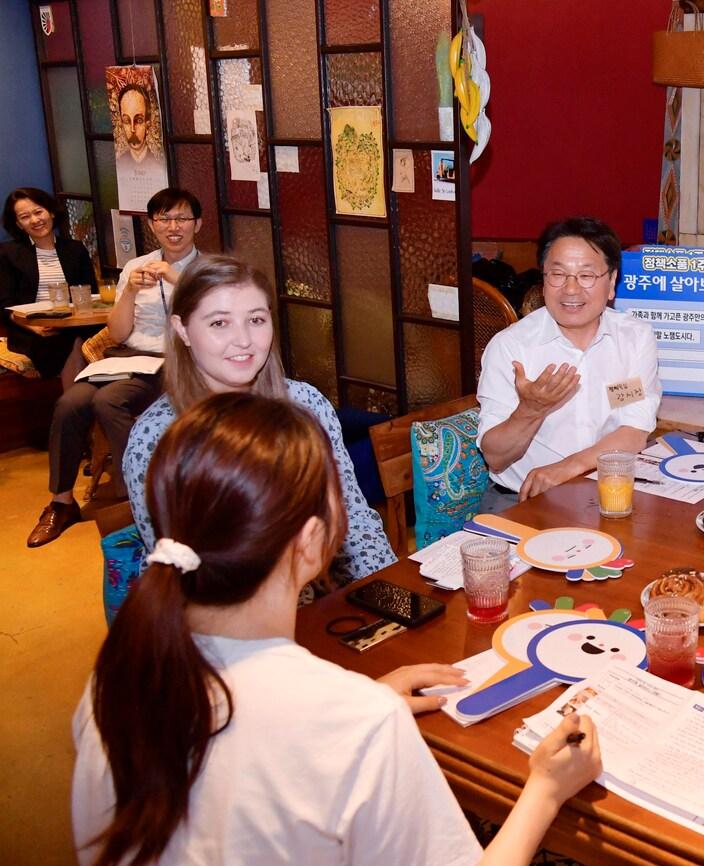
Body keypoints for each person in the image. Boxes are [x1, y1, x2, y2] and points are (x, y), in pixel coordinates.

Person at [73, 392, 602, 866]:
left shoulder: (114, 676)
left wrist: (363, 699)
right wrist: (547, 791)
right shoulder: (357, 723)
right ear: (312, 541)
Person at [124, 255, 395, 584]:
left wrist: (388, 592)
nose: (243, 340)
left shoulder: (305, 403)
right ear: (182, 329)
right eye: (219, 323)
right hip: (210, 612)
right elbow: (180, 568)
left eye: (255, 320)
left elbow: (352, 516)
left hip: (307, 592)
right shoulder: (158, 435)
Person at [26, 188, 203, 548]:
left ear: (197, 224)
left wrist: (174, 278)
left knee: (110, 401)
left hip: (178, 363)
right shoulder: (136, 267)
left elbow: (213, 318)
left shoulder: (207, 269)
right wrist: (130, 293)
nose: (173, 226)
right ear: (152, 224)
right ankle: (61, 502)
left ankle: (132, 502)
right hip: (129, 356)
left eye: (182, 218)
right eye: (164, 219)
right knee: (70, 402)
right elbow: (119, 332)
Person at [477, 217, 660, 504]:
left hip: (604, 492)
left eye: (586, 276)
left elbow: (633, 432)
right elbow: (495, 457)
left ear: (611, 283)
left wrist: (568, 468)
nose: (571, 290)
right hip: (523, 500)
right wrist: (531, 410)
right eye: (558, 275)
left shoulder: (634, 338)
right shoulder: (511, 347)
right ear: (543, 280)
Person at [0, 187, 98, 381]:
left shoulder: (75, 249)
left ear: (51, 212)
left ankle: (75, 400)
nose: (35, 220)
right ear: (19, 224)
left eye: (38, 212)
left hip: (73, 324)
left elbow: (90, 293)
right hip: (30, 330)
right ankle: (71, 402)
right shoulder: (8, 253)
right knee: (63, 346)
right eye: (25, 217)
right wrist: (32, 326)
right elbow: (3, 304)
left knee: (85, 341)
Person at [115, 83, 155, 168]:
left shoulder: (157, 164)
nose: (132, 129)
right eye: (127, 121)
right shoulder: (120, 165)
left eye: (138, 120)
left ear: (147, 124)